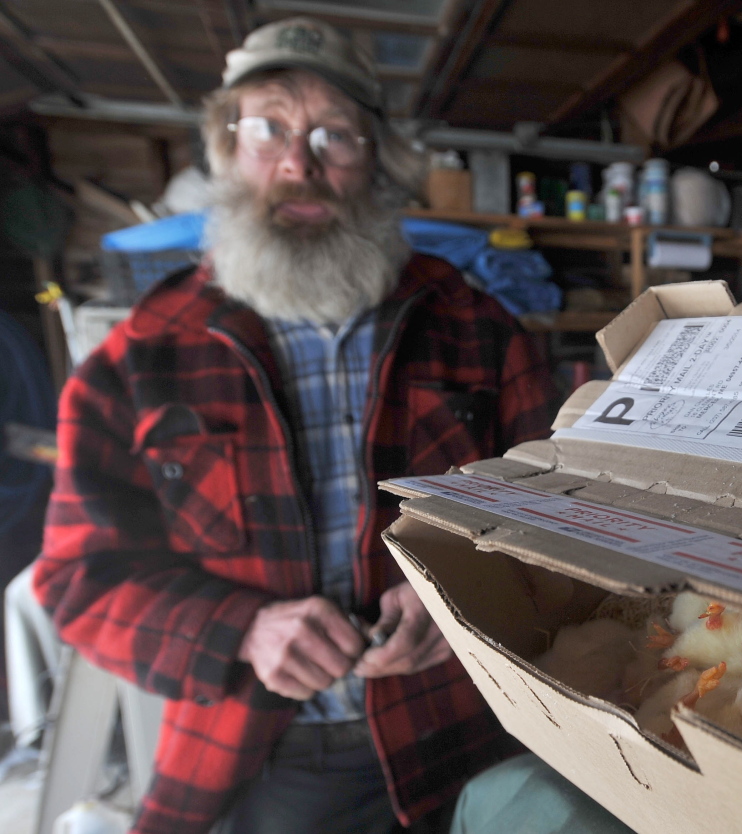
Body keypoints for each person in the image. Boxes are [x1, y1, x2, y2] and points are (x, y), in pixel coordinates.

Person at [33, 16, 555, 834]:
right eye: (267, 126)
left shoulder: (476, 326)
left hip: (466, 724)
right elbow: (77, 579)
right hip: (271, 747)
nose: (297, 162)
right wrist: (240, 629)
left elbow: (557, 517)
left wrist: (466, 594)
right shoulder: (141, 353)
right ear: (226, 149)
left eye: (334, 135)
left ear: (376, 157)